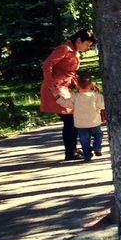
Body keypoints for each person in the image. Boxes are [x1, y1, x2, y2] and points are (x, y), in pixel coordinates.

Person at [39, 29, 95, 161]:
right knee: (71, 119)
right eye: (87, 44)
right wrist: (50, 83)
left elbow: (69, 73)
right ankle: (70, 152)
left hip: (63, 87)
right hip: (55, 88)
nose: (88, 48)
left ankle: (72, 150)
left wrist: (84, 86)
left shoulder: (73, 51)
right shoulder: (64, 49)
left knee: (73, 119)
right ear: (79, 40)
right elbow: (47, 64)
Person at [70, 70, 106, 161]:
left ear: (77, 85)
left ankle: (87, 155)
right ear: (91, 84)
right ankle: (97, 147)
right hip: (94, 121)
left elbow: (67, 104)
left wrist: (57, 97)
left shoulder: (75, 96)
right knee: (98, 134)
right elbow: (102, 106)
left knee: (84, 141)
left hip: (81, 124)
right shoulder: (96, 96)